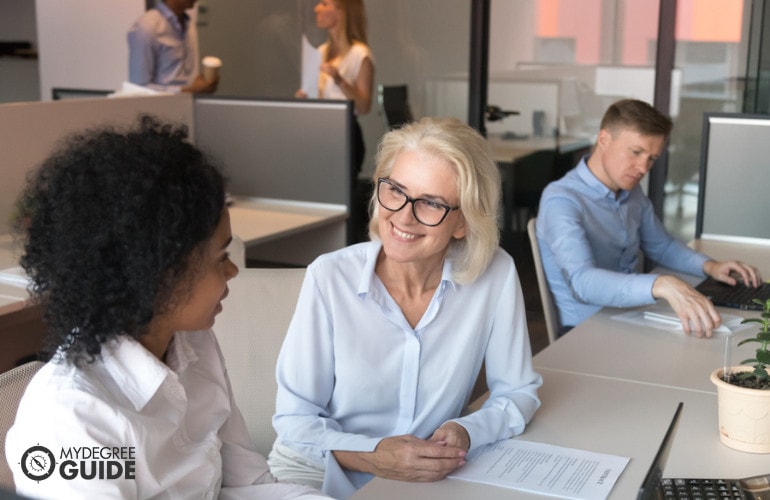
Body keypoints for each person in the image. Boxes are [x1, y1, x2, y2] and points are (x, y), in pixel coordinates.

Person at [5, 117, 326, 499]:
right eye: (220, 257)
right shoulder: (73, 418)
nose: (233, 269)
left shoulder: (194, 341)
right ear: (158, 274)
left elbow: (245, 483)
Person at [267, 117, 542, 498]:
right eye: (395, 190)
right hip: (316, 470)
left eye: (430, 202)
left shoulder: (494, 274)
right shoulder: (329, 278)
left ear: (463, 221)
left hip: (424, 481)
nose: (403, 216)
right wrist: (374, 456)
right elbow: (295, 423)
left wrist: (467, 430)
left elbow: (518, 391)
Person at [537, 99, 762, 338]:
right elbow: (582, 282)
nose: (643, 167)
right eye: (636, 152)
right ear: (604, 139)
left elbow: (662, 246)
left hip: (634, 317)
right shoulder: (562, 200)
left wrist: (711, 266)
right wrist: (660, 284)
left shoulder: (630, 191)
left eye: (652, 158)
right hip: (585, 333)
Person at [296, 0, 374, 172]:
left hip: (345, 134)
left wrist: (340, 81)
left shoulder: (360, 55)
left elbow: (364, 106)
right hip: (319, 133)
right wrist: (304, 99)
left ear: (341, 11)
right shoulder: (320, 51)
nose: (317, 9)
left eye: (324, 4)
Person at [127, 0, 218, 94]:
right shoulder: (146, 27)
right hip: (162, 107)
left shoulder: (188, 22)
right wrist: (188, 91)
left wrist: (202, 85)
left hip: (189, 105)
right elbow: (139, 88)